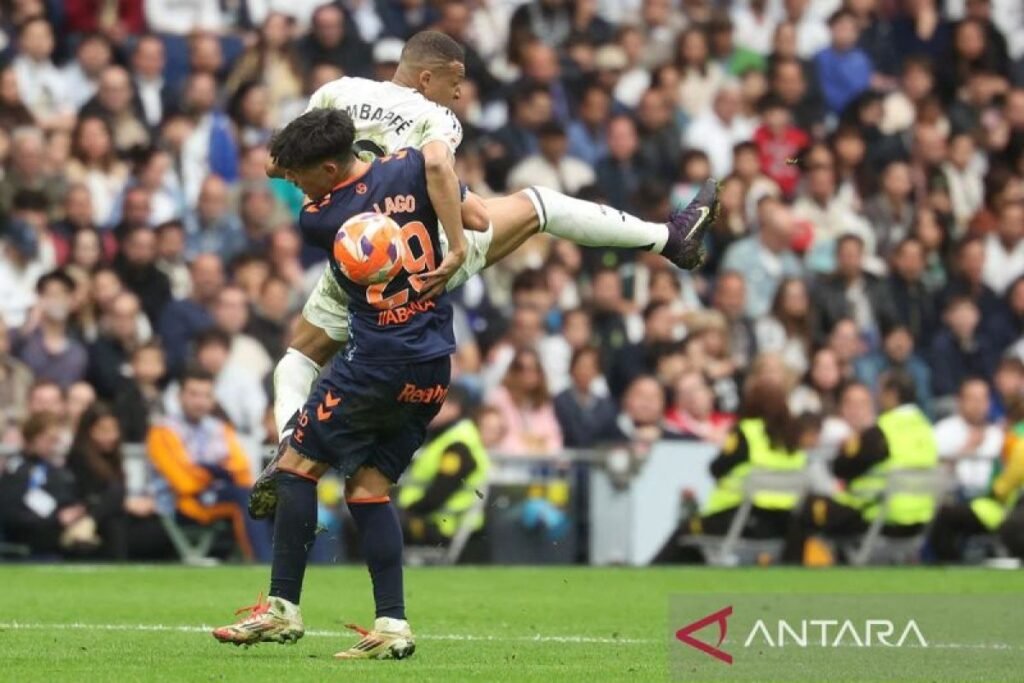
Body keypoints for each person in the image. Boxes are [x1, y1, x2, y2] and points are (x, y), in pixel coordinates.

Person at [266, 30, 718, 450]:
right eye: (456, 80)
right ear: (427, 78)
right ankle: (668, 239)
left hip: (355, 264)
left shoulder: (339, 92)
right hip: (425, 259)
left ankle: (287, 443)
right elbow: (440, 170)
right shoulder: (434, 116)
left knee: (298, 357)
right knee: (539, 204)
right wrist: (459, 240)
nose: (460, 92)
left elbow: (279, 161)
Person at [211, 108, 461, 658]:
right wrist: (462, 240)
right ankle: (392, 625)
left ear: (328, 169)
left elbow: (313, 187)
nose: (294, 185)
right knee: (368, 489)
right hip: (432, 364)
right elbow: (441, 164)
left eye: (301, 175)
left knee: (295, 467)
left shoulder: (320, 220)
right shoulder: (409, 168)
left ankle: (281, 609)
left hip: (374, 363)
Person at [793, 371, 939, 560]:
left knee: (805, 509)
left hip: (880, 515)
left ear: (892, 394)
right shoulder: (926, 428)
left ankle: (792, 572)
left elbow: (842, 468)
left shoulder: (883, 430)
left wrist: (848, 447)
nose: (878, 397)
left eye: (880, 391)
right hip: (920, 517)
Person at [147, 368, 267, 562]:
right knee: (246, 499)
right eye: (193, 394)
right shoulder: (163, 431)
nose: (200, 401)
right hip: (183, 504)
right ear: (179, 397)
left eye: (206, 395)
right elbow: (185, 484)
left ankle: (312, 566)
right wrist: (217, 471)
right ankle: (263, 563)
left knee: (274, 496)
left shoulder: (219, 428)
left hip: (219, 494)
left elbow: (242, 473)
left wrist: (204, 470)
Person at [695, 378, 807, 541]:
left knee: (686, 531)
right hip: (786, 522)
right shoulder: (793, 437)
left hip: (741, 518)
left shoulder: (747, 431)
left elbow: (716, 468)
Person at [66, 403, 171, 560]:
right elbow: (91, 496)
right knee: (115, 522)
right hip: (94, 518)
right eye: (102, 431)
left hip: (112, 514)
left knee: (158, 527)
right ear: (88, 431)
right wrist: (122, 503)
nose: (110, 436)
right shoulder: (78, 458)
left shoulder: (113, 458)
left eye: (113, 430)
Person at [397, 387, 491, 546]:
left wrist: (406, 512)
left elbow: (440, 492)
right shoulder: (447, 436)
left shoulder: (458, 444)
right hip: (433, 519)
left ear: (454, 408)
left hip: (443, 525)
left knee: (372, 521)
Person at [0, 412, 99, 557]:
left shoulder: (58, 471)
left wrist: (76, 512)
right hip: (29, 538)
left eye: (56, 440)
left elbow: (69, 498)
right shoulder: (16, 469)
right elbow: (10, 513)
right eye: (49, 439)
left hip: (59, 534)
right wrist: (55, 520)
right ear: (34, 438)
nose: (53, 445)